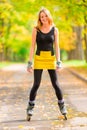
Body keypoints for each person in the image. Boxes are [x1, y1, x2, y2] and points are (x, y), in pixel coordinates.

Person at [27, 8, 67, 120]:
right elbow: (32, 46)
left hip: (50, 58)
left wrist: (59, 61)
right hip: (39, 58)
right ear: (40, 19)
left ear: (48, 16)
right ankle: (30, 106)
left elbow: (57, 46)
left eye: (45, 16)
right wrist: (30, 63)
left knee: (55, 84)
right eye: (41, 17)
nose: (43, 18)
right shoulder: (36, 30)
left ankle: (62, 106)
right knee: (36, 84)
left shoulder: (55, 30)